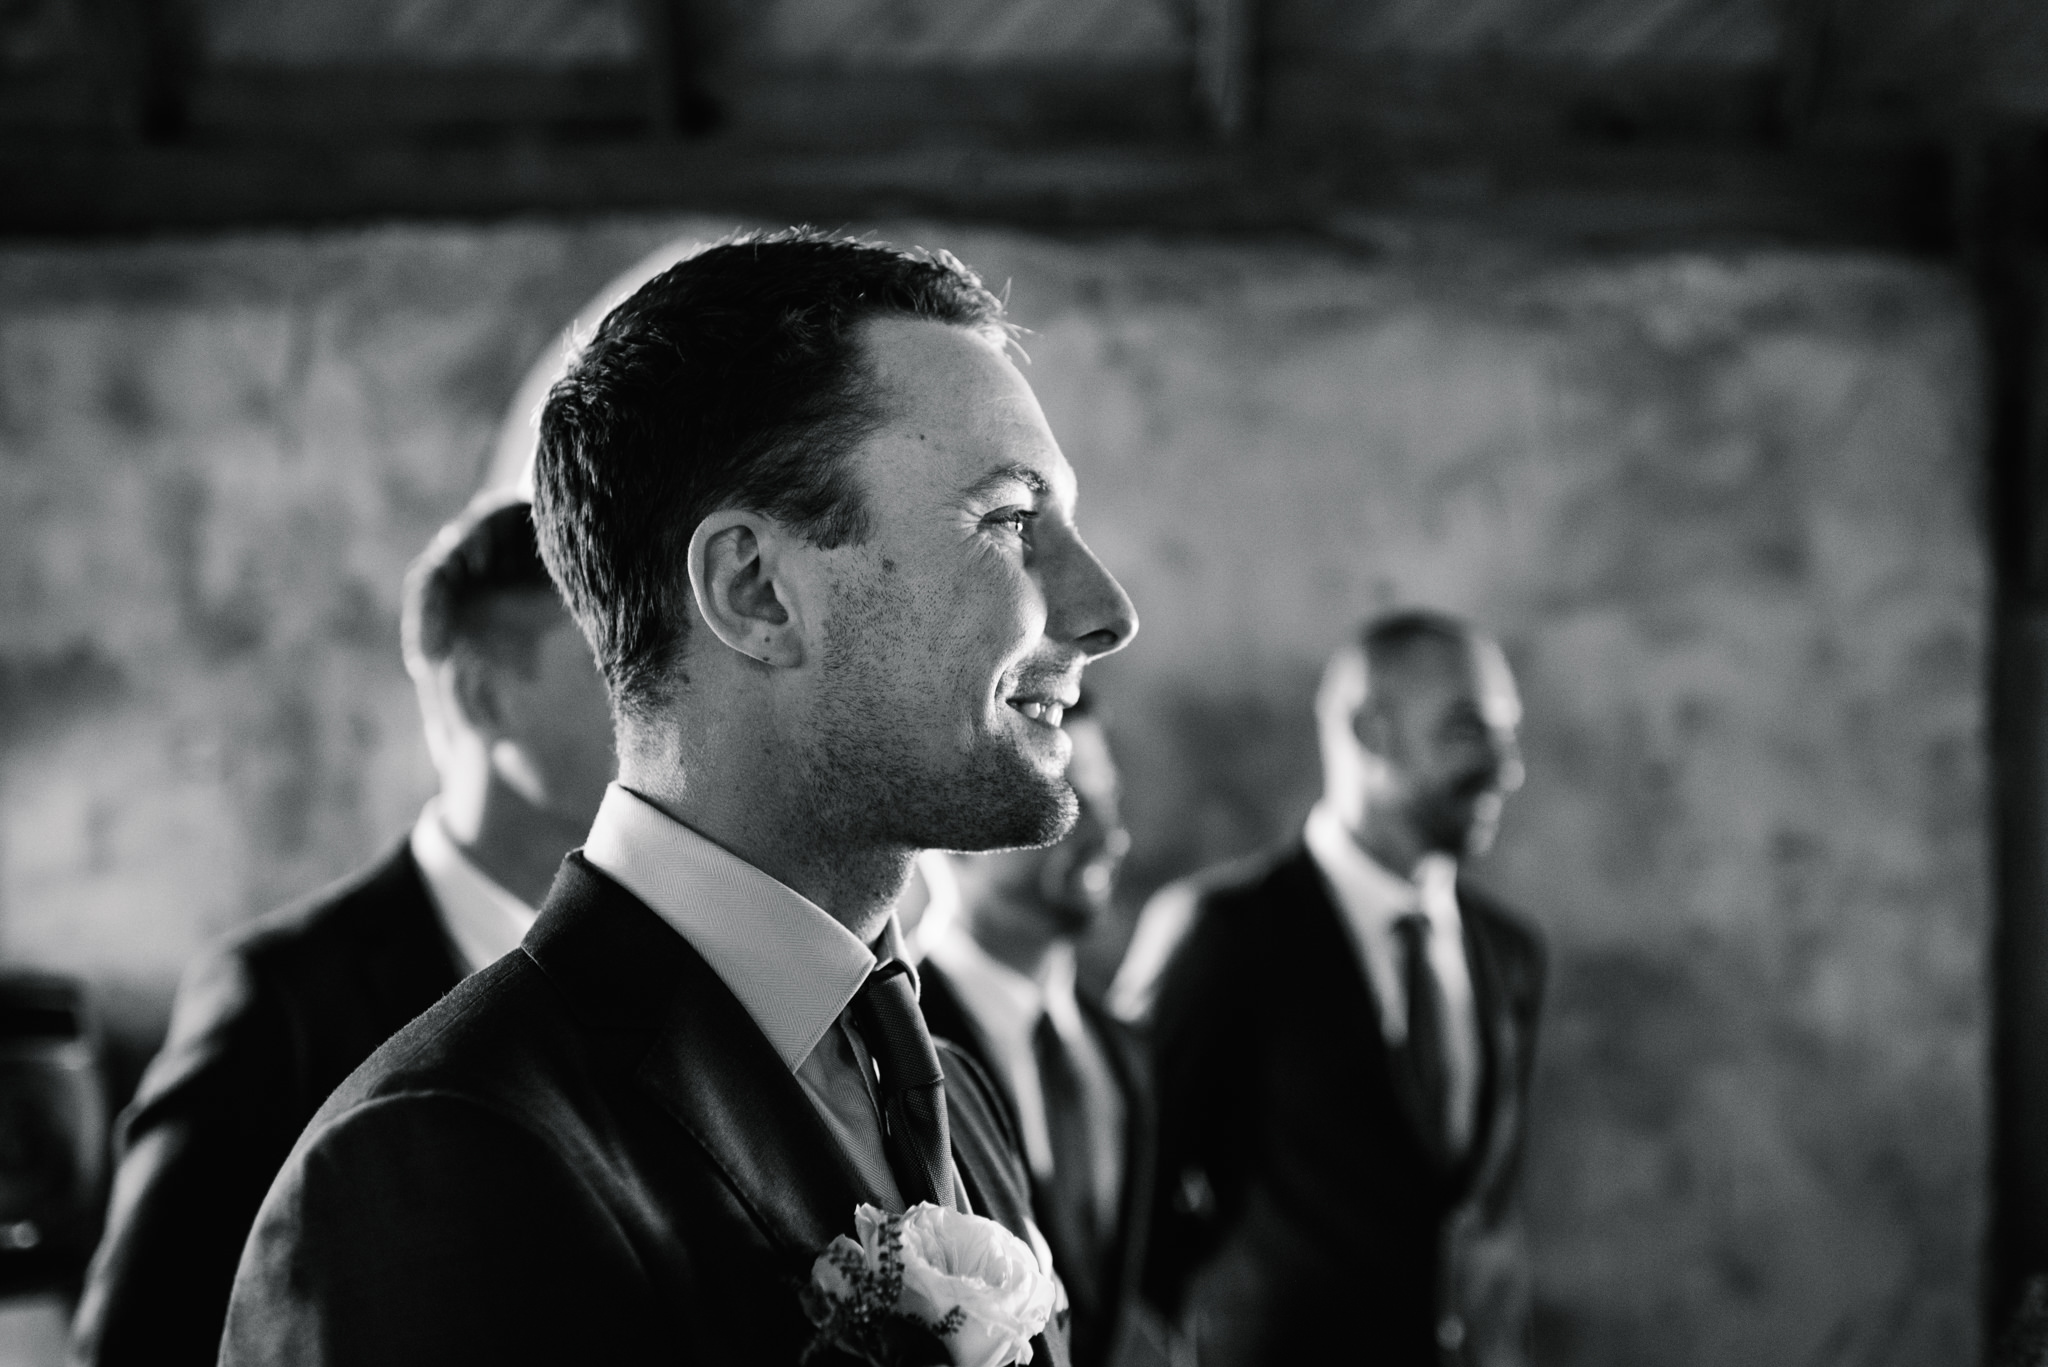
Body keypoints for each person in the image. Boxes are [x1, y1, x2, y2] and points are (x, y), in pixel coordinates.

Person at [220, 230, 1138, 1367]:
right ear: (753, 590)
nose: (1104, 608)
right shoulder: (439, 1160)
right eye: (1008, 520)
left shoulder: (947, 1086)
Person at [68, 498, 614, 1367]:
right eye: (610, 661)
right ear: (484, 694)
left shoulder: (641, 976)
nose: (657, 693)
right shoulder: (275, 1002)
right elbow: (137, 1343)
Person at [1110, 610, 1545, 1367]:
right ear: (1370, 730)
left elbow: (1477, 1210)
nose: (1507, 768)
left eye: (1509, 734)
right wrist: (1220, 1320)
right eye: (1468, 730)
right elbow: (1123, 1185)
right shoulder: (1223, 936)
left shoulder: (1511, 955)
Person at [917, 701, 1155, 1367]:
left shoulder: (1123, 1048)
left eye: (1109, 795)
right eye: (1069, 801)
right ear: (949, 825)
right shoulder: (884, 1042)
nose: (1109, 832)